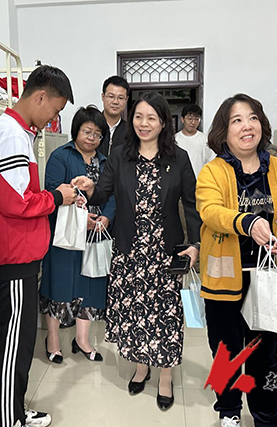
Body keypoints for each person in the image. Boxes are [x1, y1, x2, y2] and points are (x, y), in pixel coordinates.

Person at [72, 92, 201, 411]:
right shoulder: (120, 155)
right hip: (130, 250)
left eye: (151, 118)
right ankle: (142, 366)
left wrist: (195, 244)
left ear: (163, 123)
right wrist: (89, 188)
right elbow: (103, 192)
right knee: (136, 313)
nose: (144, 123)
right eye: (139, 117)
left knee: (166, 314)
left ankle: (166, 375)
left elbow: (191, 204)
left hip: (165, 250)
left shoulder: (179, 157)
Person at [195, 93, 277, 427]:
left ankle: (267, 418)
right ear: (224, 131)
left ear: (262, 124)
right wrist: (246, 222)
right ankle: (229, 412)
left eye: (252, 118)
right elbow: (210, 210)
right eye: (237, 120)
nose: (247, 126)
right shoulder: (212, 172)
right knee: (226, 353)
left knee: (265, 357)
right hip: (224, 277)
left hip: (268, 278)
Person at [0, 65, 76, 427]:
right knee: (13, 346)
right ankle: (8, 420)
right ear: (41, 97)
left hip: (17, 254)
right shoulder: (11, 136)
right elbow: (17, 202)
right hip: (13, 256)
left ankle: (14, 411)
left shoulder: (17, 133)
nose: (53, 119)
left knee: (19, 342)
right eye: (55, 110)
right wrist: (58, 196)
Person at [40, 105, 116, 364]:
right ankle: (53, 339)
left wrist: (106, 217)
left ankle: (82, 340)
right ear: (76, 131)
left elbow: (113, 195)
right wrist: (83, 220)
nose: (92, 138)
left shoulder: (105, 162)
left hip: (97, 234)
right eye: (87, 132)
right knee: (59, 284)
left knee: (92, 286)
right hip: (67, 232)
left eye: (97, 134)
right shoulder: (60, 156)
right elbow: (54, 192)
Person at [174, 104, 215, 178]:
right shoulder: (175, 139)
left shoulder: (205, 139)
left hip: (201, 181)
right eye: (190, 119)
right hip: (179, 181)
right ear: (182, 119)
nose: (193, 122)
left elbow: (211, 161)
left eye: (197, 119)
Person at [96, 75, 130, 156]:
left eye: (120, 98)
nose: (115, 102)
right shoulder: (92, 125)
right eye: (111, 96)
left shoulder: (130, 130)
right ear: (103, 97)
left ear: (126, 99)